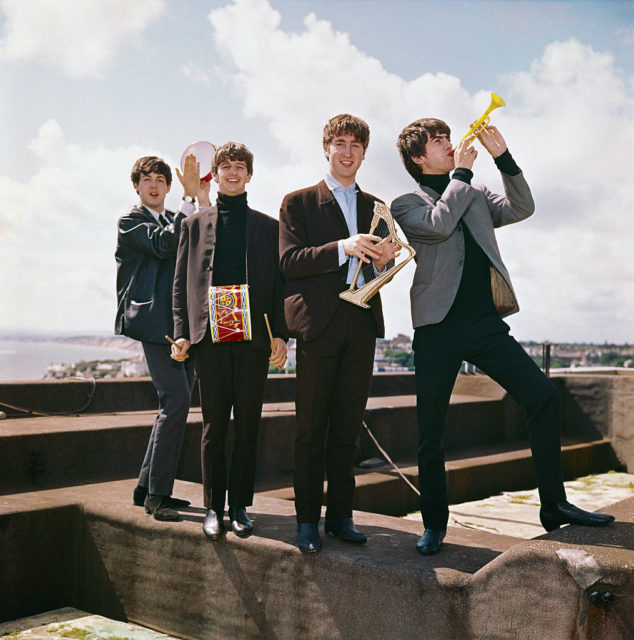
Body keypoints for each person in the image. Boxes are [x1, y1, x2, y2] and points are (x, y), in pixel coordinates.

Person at [391, 118, 615, 555]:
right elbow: (437, 225)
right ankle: (434, 524)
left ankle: (554, 506)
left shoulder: (472, 192)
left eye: (447, 138)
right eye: (439, 142)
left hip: (484, 324)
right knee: (430, 432)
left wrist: (503, 158)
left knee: (543, 397)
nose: (451, 144)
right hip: (436, 328)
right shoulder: (406, 203)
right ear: (419, 158)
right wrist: (462, 175)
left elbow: (521, 207)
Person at [279, 114, 398, 553]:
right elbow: (289, 262)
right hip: (319, 326)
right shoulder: (297, 203)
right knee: (310, 429)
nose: (347, 152)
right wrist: (341, 249)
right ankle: (307, 520)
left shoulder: (376, 206)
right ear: (326, 148)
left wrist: (386, 261)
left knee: (348, 428)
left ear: (364, 153)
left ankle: (341, 518)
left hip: (361, 323)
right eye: (340, 144)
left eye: (356, 146)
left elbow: (382, 267)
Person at [171, 142, 287, 540]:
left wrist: (282, 336)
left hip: (253, 339)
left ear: (249, 175)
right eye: (226, 166)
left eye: (240, 167)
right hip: (209, 339)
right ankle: (212, 508)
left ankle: (239, 507)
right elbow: (179, 284)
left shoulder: (269, 227)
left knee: (248, 426)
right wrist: (183, 331)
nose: (233, 172)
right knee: (213, 426)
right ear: (215, 174)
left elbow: (278, 286)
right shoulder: (193, 224)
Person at [115, 154, 200, 521]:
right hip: (154, 324)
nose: (153, 184)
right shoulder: (130, 222)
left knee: (175, 404)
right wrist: (189, 198)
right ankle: (158, 497)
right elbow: (166, 244)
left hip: (183, 324)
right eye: (146, 179)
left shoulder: (174, 218)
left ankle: (145, 488)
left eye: (160, 179)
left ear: (167, 185)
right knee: (176, 399)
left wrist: (200, 198)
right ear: (136, 186)